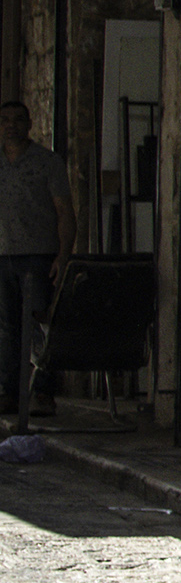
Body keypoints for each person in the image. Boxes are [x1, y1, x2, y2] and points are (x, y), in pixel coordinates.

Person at [0, 101, 72, 438]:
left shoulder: (46, 162)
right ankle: (11, 392)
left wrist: (63, 255)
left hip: (37, 256)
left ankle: (42, 392)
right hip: (3, 255)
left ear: (29, 124)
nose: (11, 126)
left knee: (39, 327)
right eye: (5, 121)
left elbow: (64, 211)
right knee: (7, 327)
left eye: (18, 120)